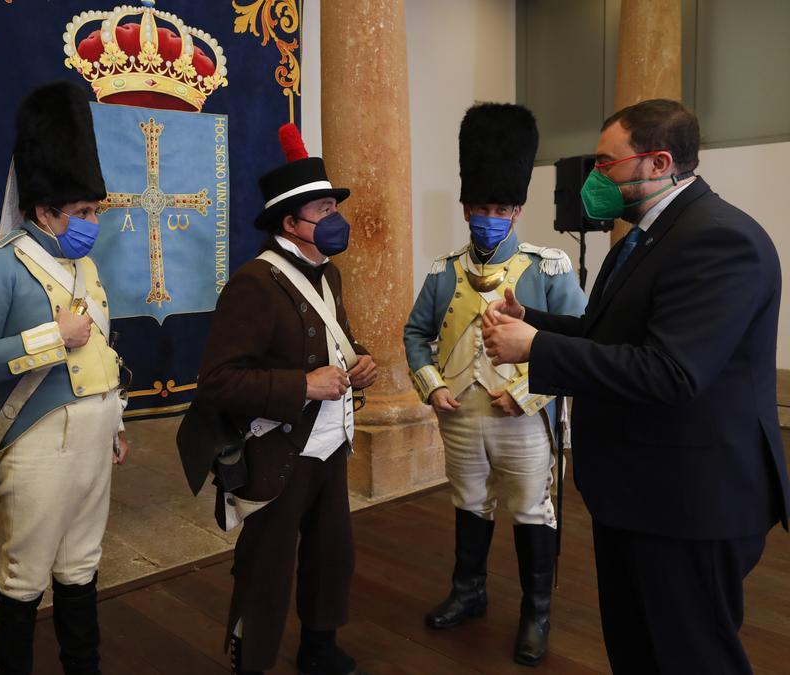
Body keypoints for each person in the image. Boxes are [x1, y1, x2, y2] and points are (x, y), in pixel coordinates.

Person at [483, 98, 790, 674]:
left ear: (658, 163)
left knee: (691, 655)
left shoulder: (719, 239)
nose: (593, 177)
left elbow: (672, 372)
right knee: (638, 646)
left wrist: (536, 349)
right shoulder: (646, 235)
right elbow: (612, 334)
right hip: (640, 488)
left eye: (606, 163)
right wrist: (535, 320)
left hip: (690, 500)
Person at [0, 80, 128, 675]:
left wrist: (116, 421)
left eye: (94, 210)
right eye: (80, 212)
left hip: (94, 437)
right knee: (26, 574)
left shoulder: (85, 266)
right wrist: (52, 339)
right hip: (36, 440)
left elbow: (100, 350)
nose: (90, 222)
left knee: (81, 564)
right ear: (42, 209)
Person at [403, 103, 586, 666]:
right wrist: (432, 388)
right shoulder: (442, 271)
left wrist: (529, 394)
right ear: (465, 207)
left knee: (532, 509)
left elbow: (580, 342)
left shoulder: (550, 267)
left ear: (518, 209)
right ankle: (469, 591)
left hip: (524, 416)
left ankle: (536, 612)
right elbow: (415, 334)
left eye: (501, 207)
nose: (490, 216)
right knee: (468, 502)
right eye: (481, 206)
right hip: (459, 414)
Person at [197, 123, 377, 675]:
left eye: (331, 208)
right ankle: (249, 660)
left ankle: (319, 648)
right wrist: (303, 386)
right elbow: (219, 380)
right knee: (266, 569)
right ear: (289, 223)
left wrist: (358, 361)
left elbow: (330, 340)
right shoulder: (255, 283)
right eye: (322, 211)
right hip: (277, 449)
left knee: (330, 555)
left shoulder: (329, 275)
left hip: (330, 443)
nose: (334, 220)